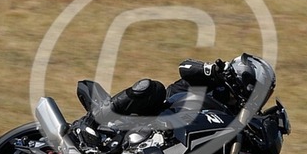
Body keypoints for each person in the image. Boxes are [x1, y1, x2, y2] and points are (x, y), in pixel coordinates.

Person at [93, 53, 275, 122]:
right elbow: (185, 67)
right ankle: (97, 117)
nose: (261, 97)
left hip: (182, 140)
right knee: (152, 88)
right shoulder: (216, 79)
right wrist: (211, 69)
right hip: (161, 111)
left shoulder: (238, 113)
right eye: (260, 90)